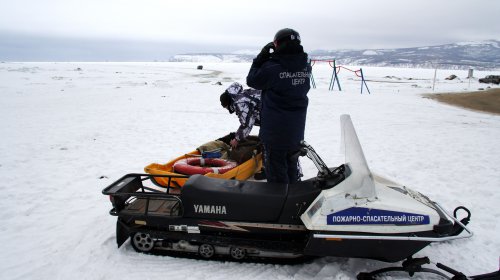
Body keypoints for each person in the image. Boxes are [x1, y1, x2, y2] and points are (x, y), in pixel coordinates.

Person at [246, 28, 311, 184]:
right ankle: (295, 203)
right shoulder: (306, 66)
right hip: (296, 130)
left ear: (277, 44)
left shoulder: (272, 67)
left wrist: (260, 58)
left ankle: (281, 205)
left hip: (275, 132)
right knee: (291, 168)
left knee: (276, 174)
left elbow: (252, 80)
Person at [219, 82, 261, 148]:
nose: (227, 109)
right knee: (263, 138)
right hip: (274, 114)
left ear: (228, 103)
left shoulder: (240, 102)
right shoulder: (245, 95)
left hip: (274, 117)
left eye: (226, 107)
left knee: (267, 143)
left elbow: (246, 124)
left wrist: (236, 139)